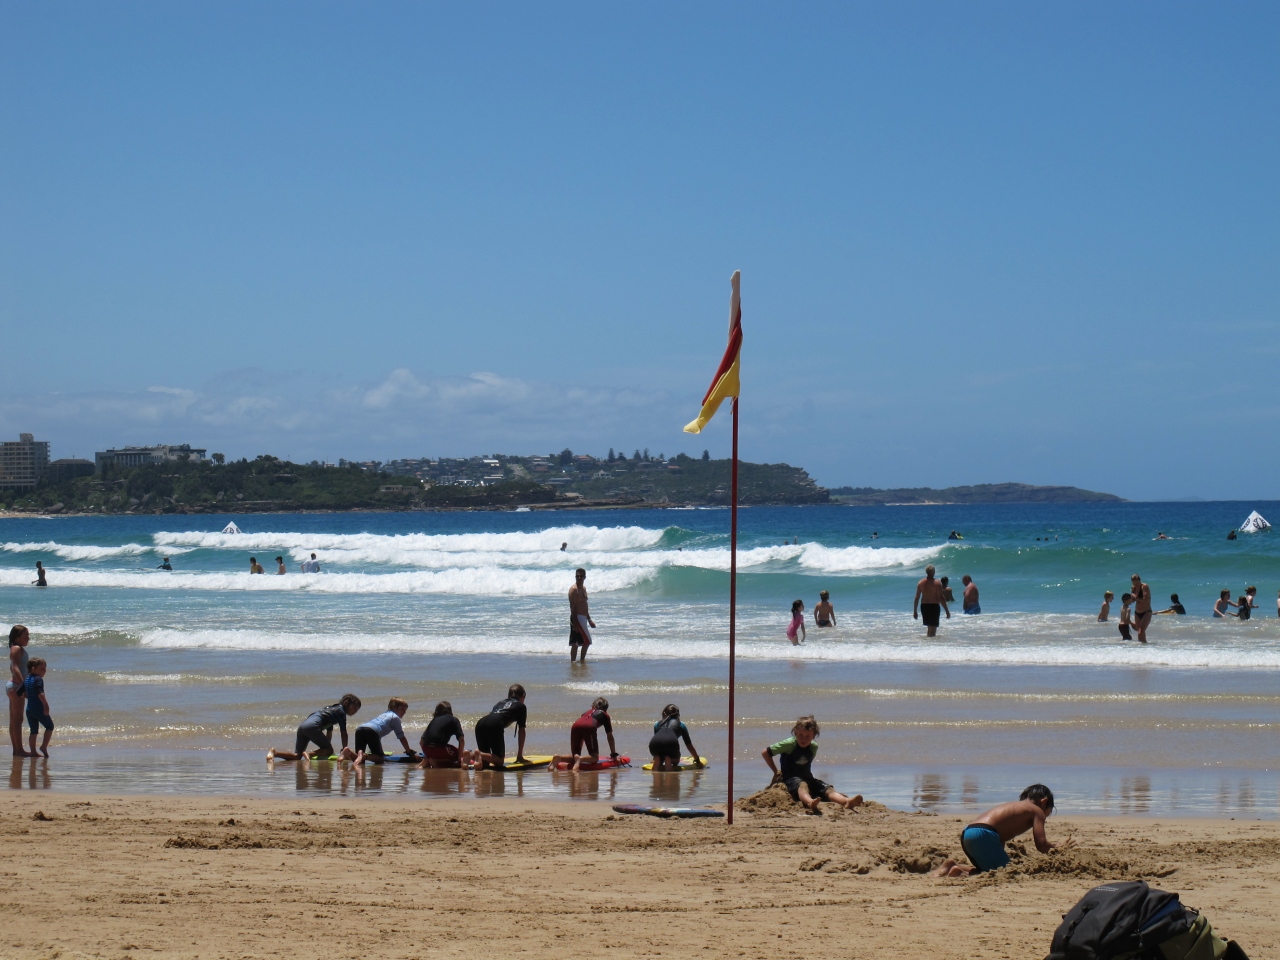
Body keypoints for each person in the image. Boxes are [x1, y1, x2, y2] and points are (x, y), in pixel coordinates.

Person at [930, 784, 1072, 877]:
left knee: (988, 871)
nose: (1045, 817)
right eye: (1048, 813)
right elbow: (1041, 845)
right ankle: (959, 871)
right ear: (1044, 802)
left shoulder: (1015, 807)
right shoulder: (1037, 811)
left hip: (968, 832)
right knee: (1006, 873)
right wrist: (1056, 848)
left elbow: (999, 838)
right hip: (984, 834)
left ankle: (954, 867)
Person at [761, 716, 862, 813]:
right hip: (790, 779)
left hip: (808, 777)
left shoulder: (814, 747)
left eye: (808, 736)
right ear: (795, 732)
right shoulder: (789, 744)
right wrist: (775, 771)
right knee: (802, 786)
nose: (803, 739)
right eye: (800, 735)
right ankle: (809, 802)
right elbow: (765, 753)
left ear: (814, 736)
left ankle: (846, 801)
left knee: (827, 788)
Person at [266, 694, 361, 762]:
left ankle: (274, 752)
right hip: (313, 726)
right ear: (346, 702)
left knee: (297, 756)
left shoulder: (331, 710)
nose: (355, 711)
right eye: (355, 707)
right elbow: (343, 732)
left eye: (357, 709)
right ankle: (309, 754)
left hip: (303, 727)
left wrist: (326, 750)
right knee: (329, 750)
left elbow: (329, 733)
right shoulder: (341, 712)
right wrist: (344, 750)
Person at [550, 696, 618, 772]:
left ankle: (559, 758)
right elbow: (610, 737)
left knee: (575, 755)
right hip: (589, 727)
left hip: (575, 725)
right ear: (605, 709)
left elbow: (582, 730)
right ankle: (580, 759)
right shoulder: (605, 715)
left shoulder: (585, 713)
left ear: (593, 706)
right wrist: (613, 754)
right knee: (595, 758)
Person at [473, 684, 528, 770]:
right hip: (494, 724)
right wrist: (519, 756)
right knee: (499, 762)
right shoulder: (521, 706)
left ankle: (474, 756)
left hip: (480, 724)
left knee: (485, 763)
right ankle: (476, 754)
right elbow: (521, 731)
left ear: (508, 695)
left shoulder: (499, 703)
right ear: (523, 696)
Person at [350, 697, 416, 765]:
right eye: (402, 709)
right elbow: (401, 737)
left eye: (405, 710)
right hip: (372, 731)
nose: (404, 712)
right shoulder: (395, 717)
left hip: (360, 729)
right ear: (394, 707)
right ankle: (364, 756)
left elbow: (377, 735)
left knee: (360, 761)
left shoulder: (384, 715)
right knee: (380, 759)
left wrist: (382, 752)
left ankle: (348, 752)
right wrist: (409, 751)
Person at [648, 703, 702, 771]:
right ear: (678, 715)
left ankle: (658, 759)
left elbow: (660, 740)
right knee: (676, 760)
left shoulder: (657, 724)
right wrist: (697, 760)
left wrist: (655, 756)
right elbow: (689, 746)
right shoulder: (681, 725)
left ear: (664, 713)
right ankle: (669, 760)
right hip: (671, 743)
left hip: (653, 744)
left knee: (660, 752)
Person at [418, 701, 469, 768]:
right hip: (439, 749)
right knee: (457, 754)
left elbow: (421, 742)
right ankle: (436, 762)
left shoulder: (434, 720)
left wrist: (428, 754)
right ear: (450, 711)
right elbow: (461, 740)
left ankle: (427, 760)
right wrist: (459, 760)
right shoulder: (454, 720)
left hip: (426, 748)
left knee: (449, 750)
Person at [8, 625, 31, 757]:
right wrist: (24, 685)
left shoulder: (18, 648)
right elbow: (15, 668)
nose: (28, 638)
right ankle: (19, 750)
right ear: (17, 637)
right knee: (18, 720)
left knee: (14, 719)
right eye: (25, 636)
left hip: (13, 685)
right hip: (16, 686)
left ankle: (16, 750)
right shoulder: (16, 648)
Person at [22, 658, 53, 758]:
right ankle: (43, 746)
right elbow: (40, 692)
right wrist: (46, 705)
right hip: (39, 709)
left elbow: (19, 693)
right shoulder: (38, 679)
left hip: (29, 710)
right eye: (42, 668)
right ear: (33, 669)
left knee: (34, 731)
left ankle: (33, 752)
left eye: (45, 668)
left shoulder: (26, 680)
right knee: (50, 726)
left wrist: (29, 696)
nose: (44, 671)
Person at [913, 564, 950, 637]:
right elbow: (941, 597)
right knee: (933, 630)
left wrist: (915, 611)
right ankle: (931, 647)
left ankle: (928, 646)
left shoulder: (921, 582)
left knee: (929, 628)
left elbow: (917, 597)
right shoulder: (937, 583)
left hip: (924, 606)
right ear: (933, 572)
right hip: (934, 606)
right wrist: (947, 611)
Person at [568, 568, 595, 663]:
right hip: (577, 618)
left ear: (584, 577)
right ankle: (579, 661)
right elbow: (573, 607)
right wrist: (575, 623)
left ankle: (575, 662)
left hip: (583, 618)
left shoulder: (583, 589)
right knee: (586, 641)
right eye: (577, 576)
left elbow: (584, 605)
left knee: (576, 642)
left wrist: (589, 619)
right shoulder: (574, 590)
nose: (579, 578)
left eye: (581, 576)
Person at [1130, 574, 1152, 644]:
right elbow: (1133, 600)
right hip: (1137, 612)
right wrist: (1130, 599)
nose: (1135, 584)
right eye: (1134, 583)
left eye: (1136, 583)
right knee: (1140, 632)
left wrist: (1135, 597)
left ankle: (1143, 647)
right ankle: (1143, 648)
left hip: (1146, 612)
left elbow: (1144, 600)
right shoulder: (1133, 588)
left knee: (1140, 632)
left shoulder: (1144, 586)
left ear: (1139, 580)